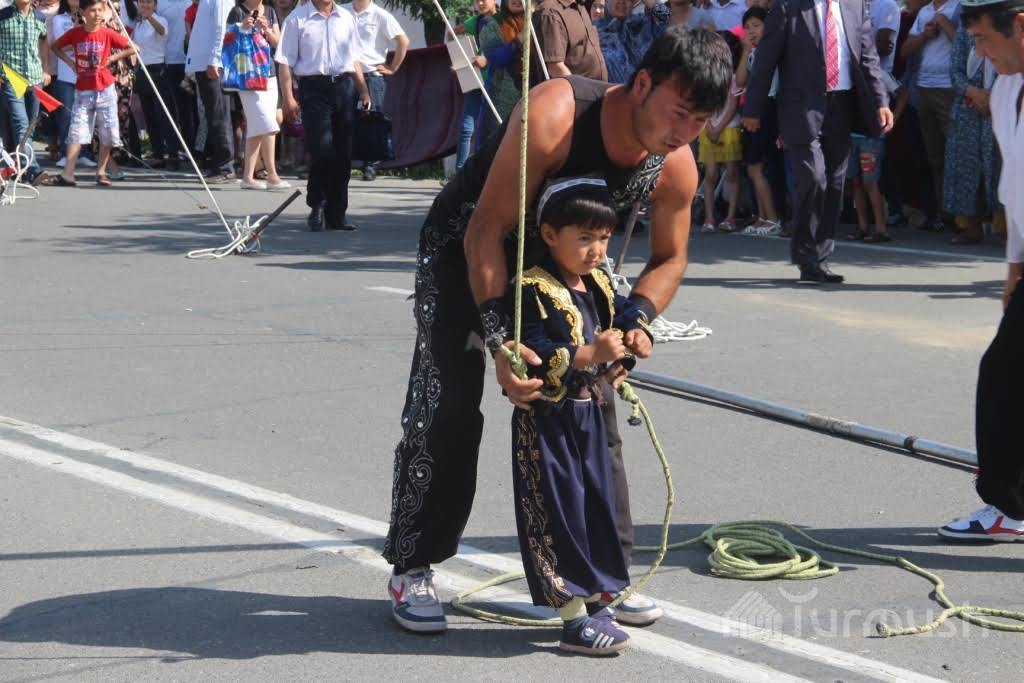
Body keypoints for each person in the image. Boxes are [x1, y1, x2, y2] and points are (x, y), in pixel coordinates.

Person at [383, 26, 732, 634]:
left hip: (564, 272)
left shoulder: (675, 163)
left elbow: (670, 258)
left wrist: (634, 322)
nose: (685, 133)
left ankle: (598, 579)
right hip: (469, 252)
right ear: (642, 83)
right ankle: (412, 564)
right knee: (450, 404)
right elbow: (485, 232)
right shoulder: (555, 114)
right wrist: (501, 342)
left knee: (588, 415)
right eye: (679, 113)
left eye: (700, 121)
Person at [511, 179, 653, 655]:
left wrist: (635, 336)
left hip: (591, 417)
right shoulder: (531, 287)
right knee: (559, 516)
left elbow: (624, 311)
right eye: (585, 238)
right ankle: (572, 619)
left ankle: (598, 598)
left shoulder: (596, 282)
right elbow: (534, 351)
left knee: (597, 509)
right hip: (549, 422)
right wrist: (589, 354)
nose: (597, 251)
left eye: (604, 238)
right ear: (551, 235)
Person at [938, 0, 1024, 542]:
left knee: (1003, 376)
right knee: (1006, 375)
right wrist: (1014, 268)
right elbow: (1016, 189)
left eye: (986, 39)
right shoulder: (1007, 92)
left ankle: (1009, 508)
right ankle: (1010, 504)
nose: (980, 53)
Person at [742, 0, 894, 284]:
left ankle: (819, 259)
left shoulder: (854, 5)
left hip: (842, 105)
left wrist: (880, 101)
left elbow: (868, 57)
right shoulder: (788, 7)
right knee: (814, 178)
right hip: (801, 108)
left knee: (835, 182)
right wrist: (753, 108)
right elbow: (765, 59)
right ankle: (804, 253)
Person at [276, 0, 370, 231]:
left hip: (344, 86)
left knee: (343, 153)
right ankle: (317, 203)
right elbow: (285, 62)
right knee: (322, 149)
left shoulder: (346, 17)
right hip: (313, 88)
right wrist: (288, 98)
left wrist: (363, 90)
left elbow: (354, 59)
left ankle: (337, 214)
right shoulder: (297, 19)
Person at [46, 0, 134, 186]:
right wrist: (71, 64)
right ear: (83, 12)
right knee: (76, 130)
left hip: (105, 88)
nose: (97, 14)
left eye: (100, 10)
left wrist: (112, 58)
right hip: (83, 90)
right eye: (93, 11)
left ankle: (101, 171)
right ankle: (68, 174)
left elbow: (133, 48)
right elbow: (55, 47)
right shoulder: (76, 33)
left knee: (108, 131)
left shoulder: (107, 33)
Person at [899, 0, 961, 232]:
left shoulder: (959, 7)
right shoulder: (925, 11)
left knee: (955, 153)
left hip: (949, 89)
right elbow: (904, 52)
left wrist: (945, 23)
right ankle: (944, 214)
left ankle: (963, 216)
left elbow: (968, 47)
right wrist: (923, 36)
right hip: (923, 89)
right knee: (934, 156)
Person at [943, 25, 1000, 244]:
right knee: (967, 164)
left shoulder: (1010, 25)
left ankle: (1006, 227)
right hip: (968, 107)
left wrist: (994, 97)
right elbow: (955, 70)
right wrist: (973, 93)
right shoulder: (964, 29)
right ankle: (970, 225)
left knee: (1000, 166)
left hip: (1002, 106)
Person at [227, 0, 289, 191]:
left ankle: (248, 177)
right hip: (248, 75)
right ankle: (272, 175)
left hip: (269, 73)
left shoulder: (270, 11)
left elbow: (278, 43)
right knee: (269, 124)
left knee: (256, 128)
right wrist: (243, 28)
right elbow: (227, 40)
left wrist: (267, 30)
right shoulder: (237, 11)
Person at [346, 0, 407, 182]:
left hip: (372, 75)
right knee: (345, 118)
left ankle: (370, 166)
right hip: (346, 74)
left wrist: (392, 67)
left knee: (372, 118)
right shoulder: (342, 11)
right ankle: (343, 162)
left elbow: (403, 41)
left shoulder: (380, 15)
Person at [735, 6, 781, 235]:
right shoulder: (753, 53)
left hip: (768, 109)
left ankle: (772, 218)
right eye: (747, 27)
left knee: (758, 166)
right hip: (753, 110)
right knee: (754, 167)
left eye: (756, 25)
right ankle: (762, 218)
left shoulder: (774, 52)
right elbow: (740, 81)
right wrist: (745, 51)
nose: (751, 31)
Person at [0, 0, 52, 185]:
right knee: (21, 123)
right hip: (10, 78)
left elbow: (44, 41)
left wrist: (46, 68)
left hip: (35, 78)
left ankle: (17, 167)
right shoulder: (3, 16)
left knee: (30, 126)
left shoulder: (39, 17)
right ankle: (33, 170)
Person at [185, 0, 235, 182]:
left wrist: (215, 59)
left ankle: (225, 166)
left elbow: (222, 27)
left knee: (219, 115)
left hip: (213, 64)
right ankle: (219, 162)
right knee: (212, 115)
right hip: (203, 63)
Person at [699, 30, 743, 233]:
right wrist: (710, 126)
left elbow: (733, 104)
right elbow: (702, 103)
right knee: (710, 174)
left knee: (732, 173)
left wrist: (718, 127)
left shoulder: (734, 77)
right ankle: (709, 218)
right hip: (708, 127)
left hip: (729, 127)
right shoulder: (704, 76)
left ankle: (730, 217)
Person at [534, 0, 607, 79]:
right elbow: (555, 68)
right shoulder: (551, 12)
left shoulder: (580, 6)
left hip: (596, 85)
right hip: (574, 86)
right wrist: (576, 86)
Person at [479, 0, 525, 122]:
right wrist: (518, 41)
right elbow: (494, 57)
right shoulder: (492, 24)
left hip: (537, 89)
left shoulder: (542, 17)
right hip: (503, 94)